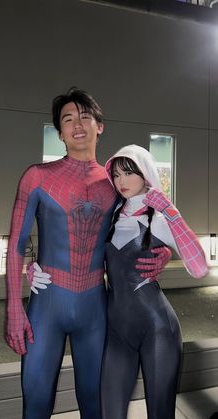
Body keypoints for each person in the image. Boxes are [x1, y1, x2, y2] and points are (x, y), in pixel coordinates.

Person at [5, 88, 171, 419]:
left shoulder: (118, 183)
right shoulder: (36, 177)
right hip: (46, 306)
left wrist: (163, 252)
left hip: (97, 307)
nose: (77, 124)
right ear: (59, 132)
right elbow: (15, 243)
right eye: (68, 119)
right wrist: (13, 307)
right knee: (35, 405)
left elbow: (151, 222)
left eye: (85, 116)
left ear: (100, 126)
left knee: (96, 406)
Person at [100, 144, 208, 419]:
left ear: (145, 174)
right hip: (117, 331)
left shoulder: (159, 219)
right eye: (116, 174)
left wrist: (170, 211)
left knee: (160, 414)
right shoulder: (110, 215)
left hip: (158, 330)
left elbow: (198, 268)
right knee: (110, 412)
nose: (121, 181)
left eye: (129, 173)